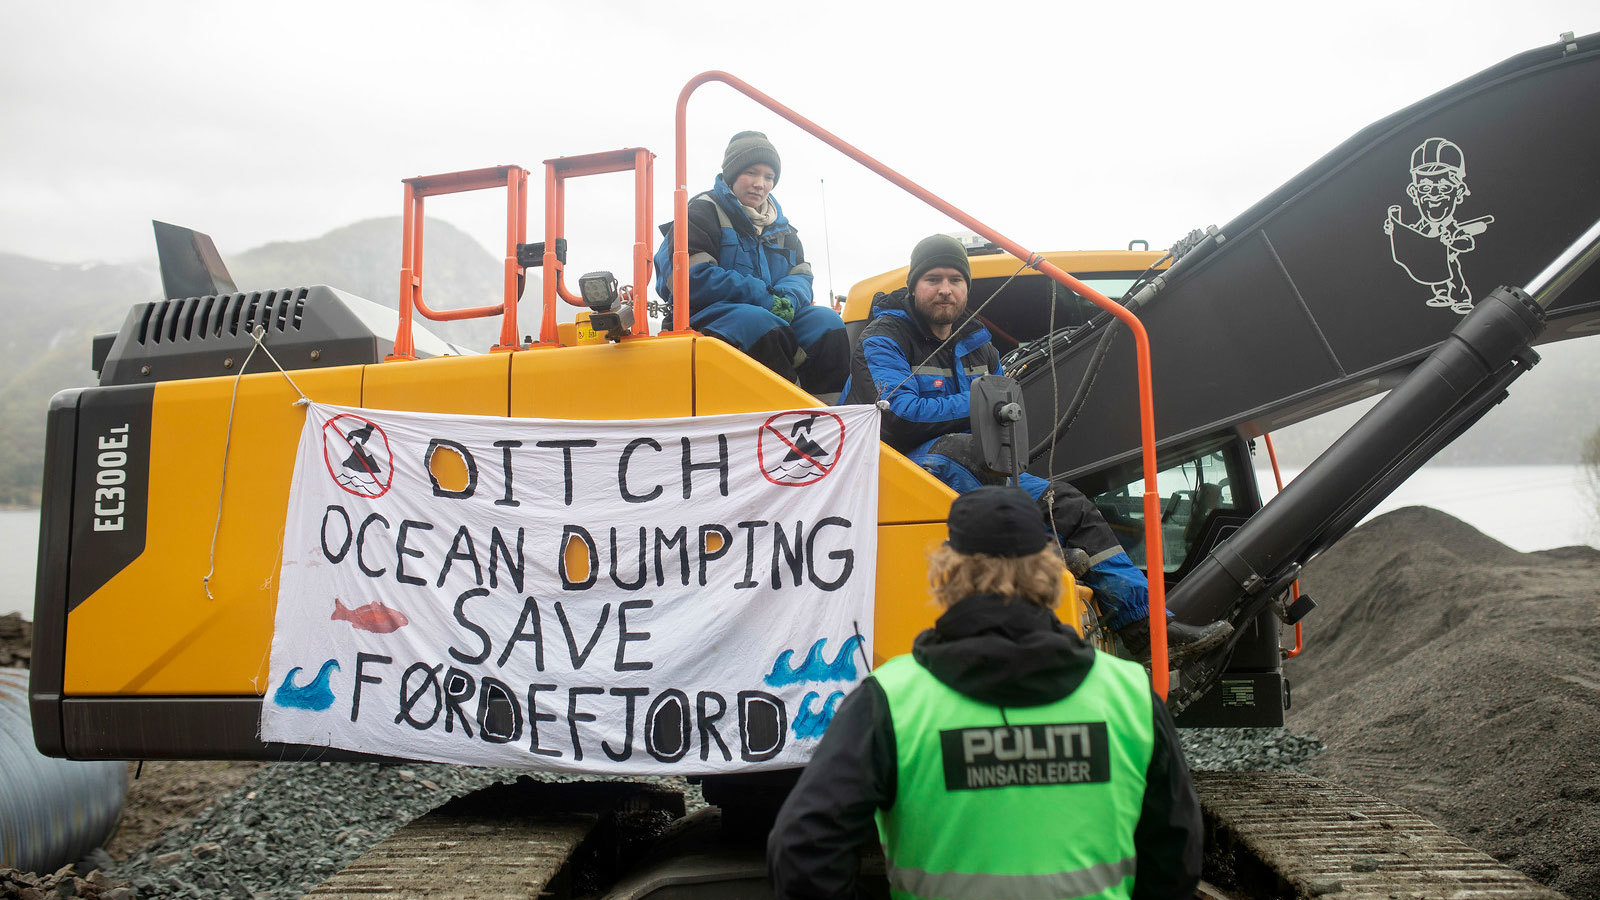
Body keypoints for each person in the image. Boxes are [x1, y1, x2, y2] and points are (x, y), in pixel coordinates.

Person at [767, 485, 1203, 900]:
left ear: (947, 573)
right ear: (1052, 574)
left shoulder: (891, 702)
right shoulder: (1128, 697)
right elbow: (1175, 855)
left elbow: (804, 852)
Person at [843, 234, 1230, 662]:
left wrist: (987, 406)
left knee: (1067, 503)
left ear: (967, 288)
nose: (945, 289)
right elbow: (897, 415)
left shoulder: (979, 344)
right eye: (933, 279)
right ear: (914, 285)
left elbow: (999, 416)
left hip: (972, 461)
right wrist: (981, 401)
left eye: (955, 279)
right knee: (957, 453)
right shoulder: (882, 338)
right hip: (895, 469)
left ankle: (1145, 627)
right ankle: (1046, 551)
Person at [653, 131, 848, 396]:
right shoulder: (699, 213)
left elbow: (801, 275)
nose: (760, 184)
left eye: (769, 177)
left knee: (826, 322)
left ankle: (832, 418)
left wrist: (787, 300)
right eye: (751, 173)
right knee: (761, 324)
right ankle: (783, 415)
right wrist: (763, 297)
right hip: (706, 316)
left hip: (772, 313)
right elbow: (688, 278)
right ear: (732, 174)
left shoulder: (784, 229)